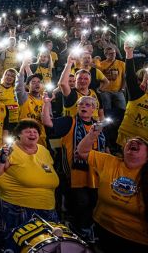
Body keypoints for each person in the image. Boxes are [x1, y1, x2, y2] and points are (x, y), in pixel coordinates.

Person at [77, 132, 148, 251]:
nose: (134, 141)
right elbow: (82, 152)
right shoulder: (110, 162)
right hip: (103, 231)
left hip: (141, 241)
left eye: (140, 142)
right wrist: (94, 133)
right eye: (130, 141)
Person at [42, 94, 108, 241]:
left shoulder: (99, 126)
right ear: (77, 107)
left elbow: (106, 149)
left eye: (88, 105)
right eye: (81, 104)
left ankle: (87, 230)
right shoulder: (69, 122)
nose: (84, 106)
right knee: (81, 203)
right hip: (75, 174)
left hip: (97, 174)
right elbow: (47, 121)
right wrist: (46, 104)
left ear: (94, 109)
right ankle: (79, 232)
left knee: (95, 204)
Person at [0, 120, 60, 248]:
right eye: (28, 131)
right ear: (19, 135)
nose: (32, 134)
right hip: (17, 209)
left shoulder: (44, 150)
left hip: (47, 209)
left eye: (35, 132)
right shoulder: (9, 149)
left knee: (45, 247)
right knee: (16, 246)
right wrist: (2, 158)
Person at [58, 53, 104, 121]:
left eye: (86, 79)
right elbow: (63, 84)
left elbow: (101, 113)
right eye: (80, 78)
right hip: (74, 129)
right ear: (75, 80)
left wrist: (101, 127)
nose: (82, 81)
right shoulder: (71, 93)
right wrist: (69, 64)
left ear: (90, 81)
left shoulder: (95, 93)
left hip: (93, 129)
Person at [96, 46, 126, 111]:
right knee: (106, 109)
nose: (113, 55)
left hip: (118, 91)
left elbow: (124, 77)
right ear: (106, 54)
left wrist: (122, 88)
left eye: (114, 53)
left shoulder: (122, 64)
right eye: (110, 53)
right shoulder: (101, 64)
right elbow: (98, 78)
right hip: (105, 91)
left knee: (122, 109)